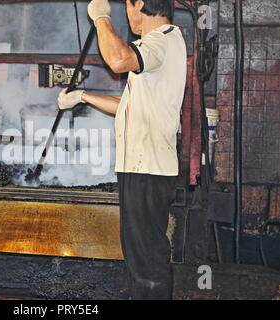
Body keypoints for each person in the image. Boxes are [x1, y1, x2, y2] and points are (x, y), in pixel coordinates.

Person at [57, 0, 187, 300]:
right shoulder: (160, 45)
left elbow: (117, 60)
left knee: (147, 260)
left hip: (148, 169)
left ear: (139, 4)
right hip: (143, 167)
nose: (126, 14)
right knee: (138, 254)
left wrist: (101, 19)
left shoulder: (162, 40)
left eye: (126, 5)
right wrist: (83, 97)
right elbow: (129, 107)